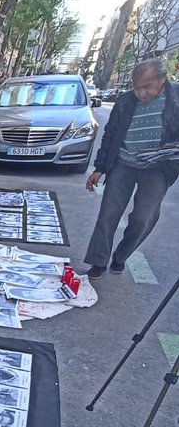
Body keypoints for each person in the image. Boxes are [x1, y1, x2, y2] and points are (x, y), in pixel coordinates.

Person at [84, 58, 179, 278]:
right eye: (136, 87)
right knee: (108, 214)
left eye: (147, 87)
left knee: (143, 218)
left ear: (162, 80)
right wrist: (100, 168)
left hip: (157, 168)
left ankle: (121, 256)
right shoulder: (126, 101)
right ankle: (98, 261)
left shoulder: (175, 98)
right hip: (123, 164)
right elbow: (110, 134)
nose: (141, 93)